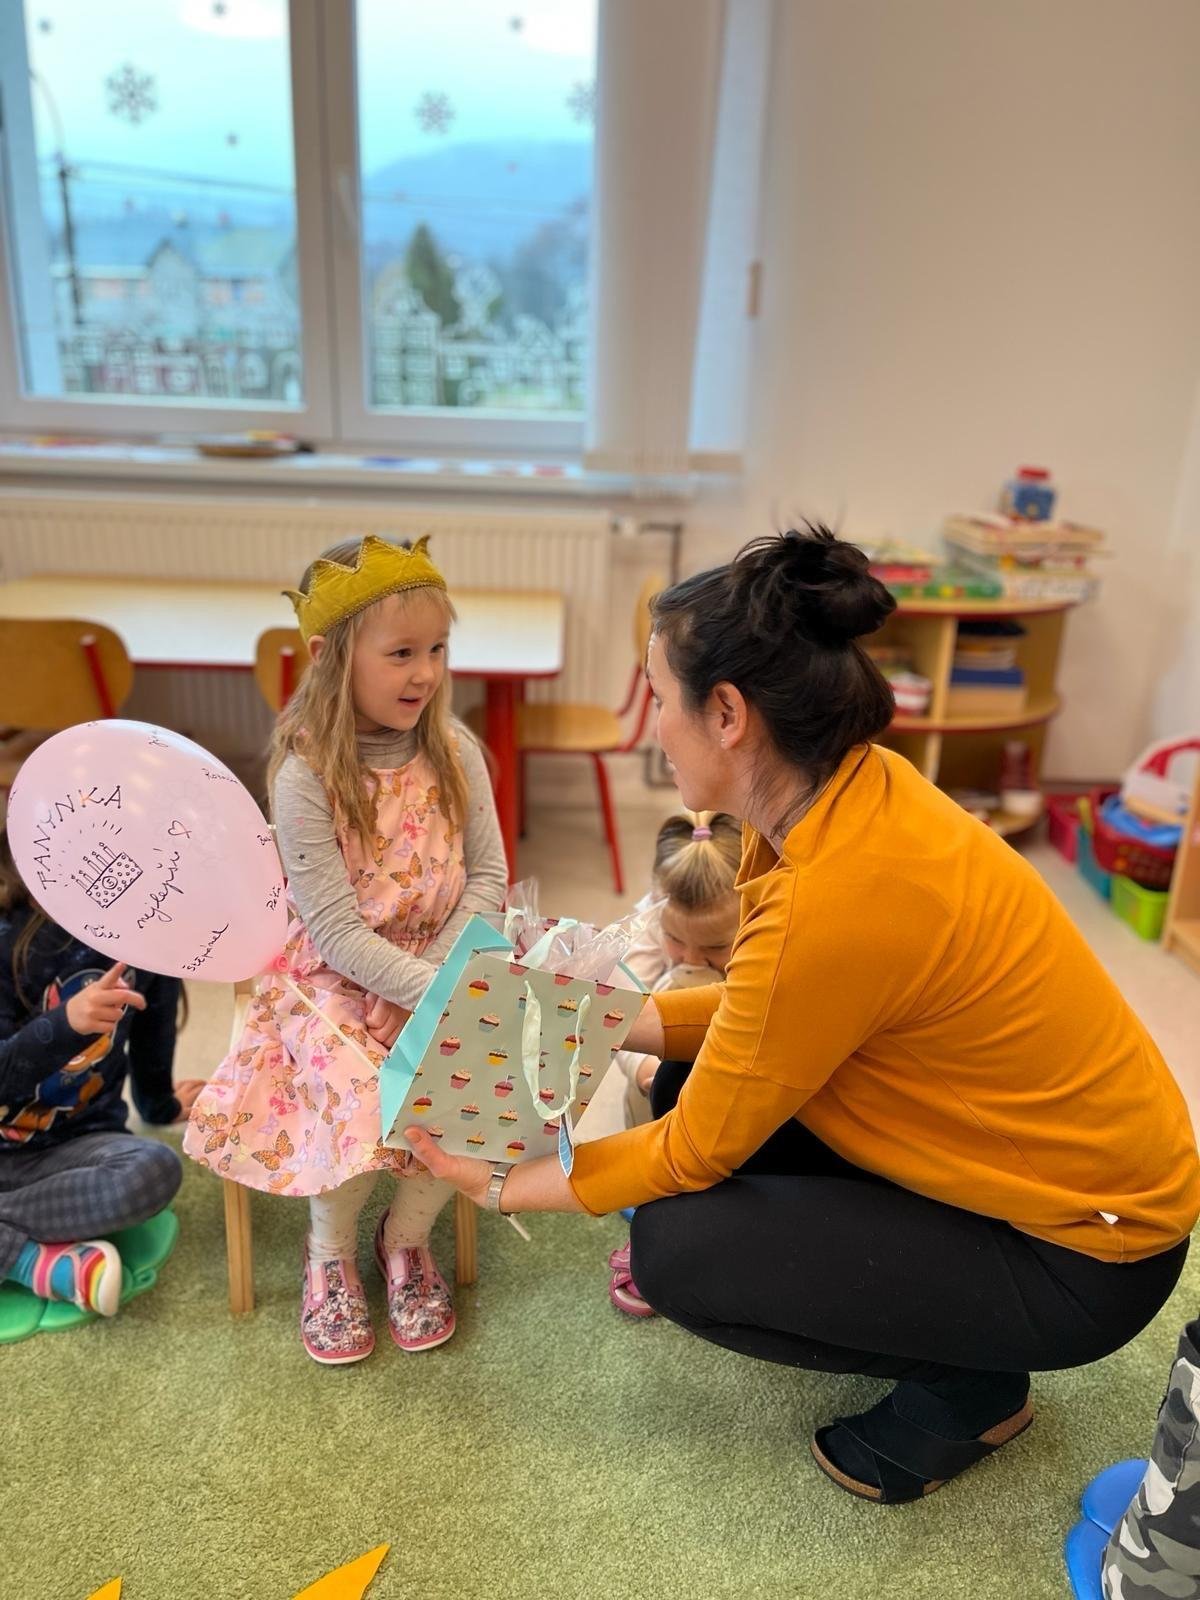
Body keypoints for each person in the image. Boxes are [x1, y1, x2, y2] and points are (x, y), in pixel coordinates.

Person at [407, 524, 1200, 1504]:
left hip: (1085, 1253)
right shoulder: (849, 793)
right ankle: (956, 1338)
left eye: (659, 698)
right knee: (691, 1080)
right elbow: (770, 1012)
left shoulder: (834, 894)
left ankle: (971, 1390)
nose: (654, 727)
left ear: (727, 714)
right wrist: (604, 1017)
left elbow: (691, 1152)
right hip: (1037, 1167)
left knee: (677, 1251)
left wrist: (502, 1183)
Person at [185, 535, 506, 1365]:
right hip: (331, 980)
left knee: (478, 1074)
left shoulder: (457, 751)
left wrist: (431, 985)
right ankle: (328, 1256)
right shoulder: (304, 774)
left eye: (437, 649)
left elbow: (489, 879)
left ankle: (403, 1240)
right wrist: (412, 991)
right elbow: (333, 931)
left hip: (442, 959)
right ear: (330, 656)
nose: (426, 672)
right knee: (363, 1093)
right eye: (401, 653)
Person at [0, 826, 193, 1318]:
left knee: (155, 1170)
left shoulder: (146, 933)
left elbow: (153, 1035)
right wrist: (65, 1025)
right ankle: (29, 1263)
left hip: (77, 1149)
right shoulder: (8, 934)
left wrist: (162, 1105)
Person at [607, 809, 740, 1316]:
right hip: (658, 1085)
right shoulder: (648, 922)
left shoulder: (769, 930)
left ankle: (710, 1221)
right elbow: (618, 1010)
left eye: (714, 947)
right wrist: (645, 1072)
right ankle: (653, 1208)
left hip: (735, 1081)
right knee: (647, 1131)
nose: (691, 957)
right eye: (676, 940)